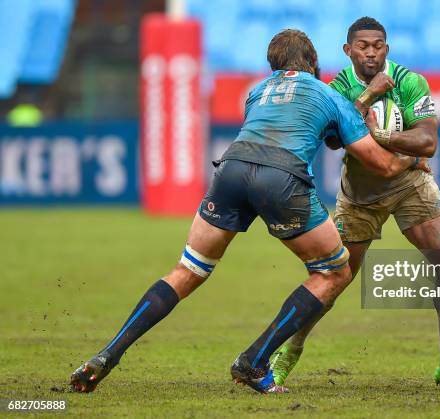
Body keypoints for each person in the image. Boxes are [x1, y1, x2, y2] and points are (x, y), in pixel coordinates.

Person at [70, 29, 415, 395]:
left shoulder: (258, 92)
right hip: (282, 177)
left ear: (273, 66)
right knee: (334, 271)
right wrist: (412, 156)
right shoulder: (327, 93)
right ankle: (254, 360)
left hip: (231, 169)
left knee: (188, 269)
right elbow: (382, 165)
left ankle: (107, 354)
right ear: (314, 63)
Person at [270, 17, 440, 391]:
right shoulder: (337, 88)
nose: (371, 52)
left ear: (387, 49)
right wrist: (367, 99)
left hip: (410, 183)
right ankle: (287, 354)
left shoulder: (410, 81)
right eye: (363, 45)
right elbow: (332, 141)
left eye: (378, 45)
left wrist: (377, 133)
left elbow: (427, 142)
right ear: (348, 51)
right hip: (359, 195)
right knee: (333, 278)